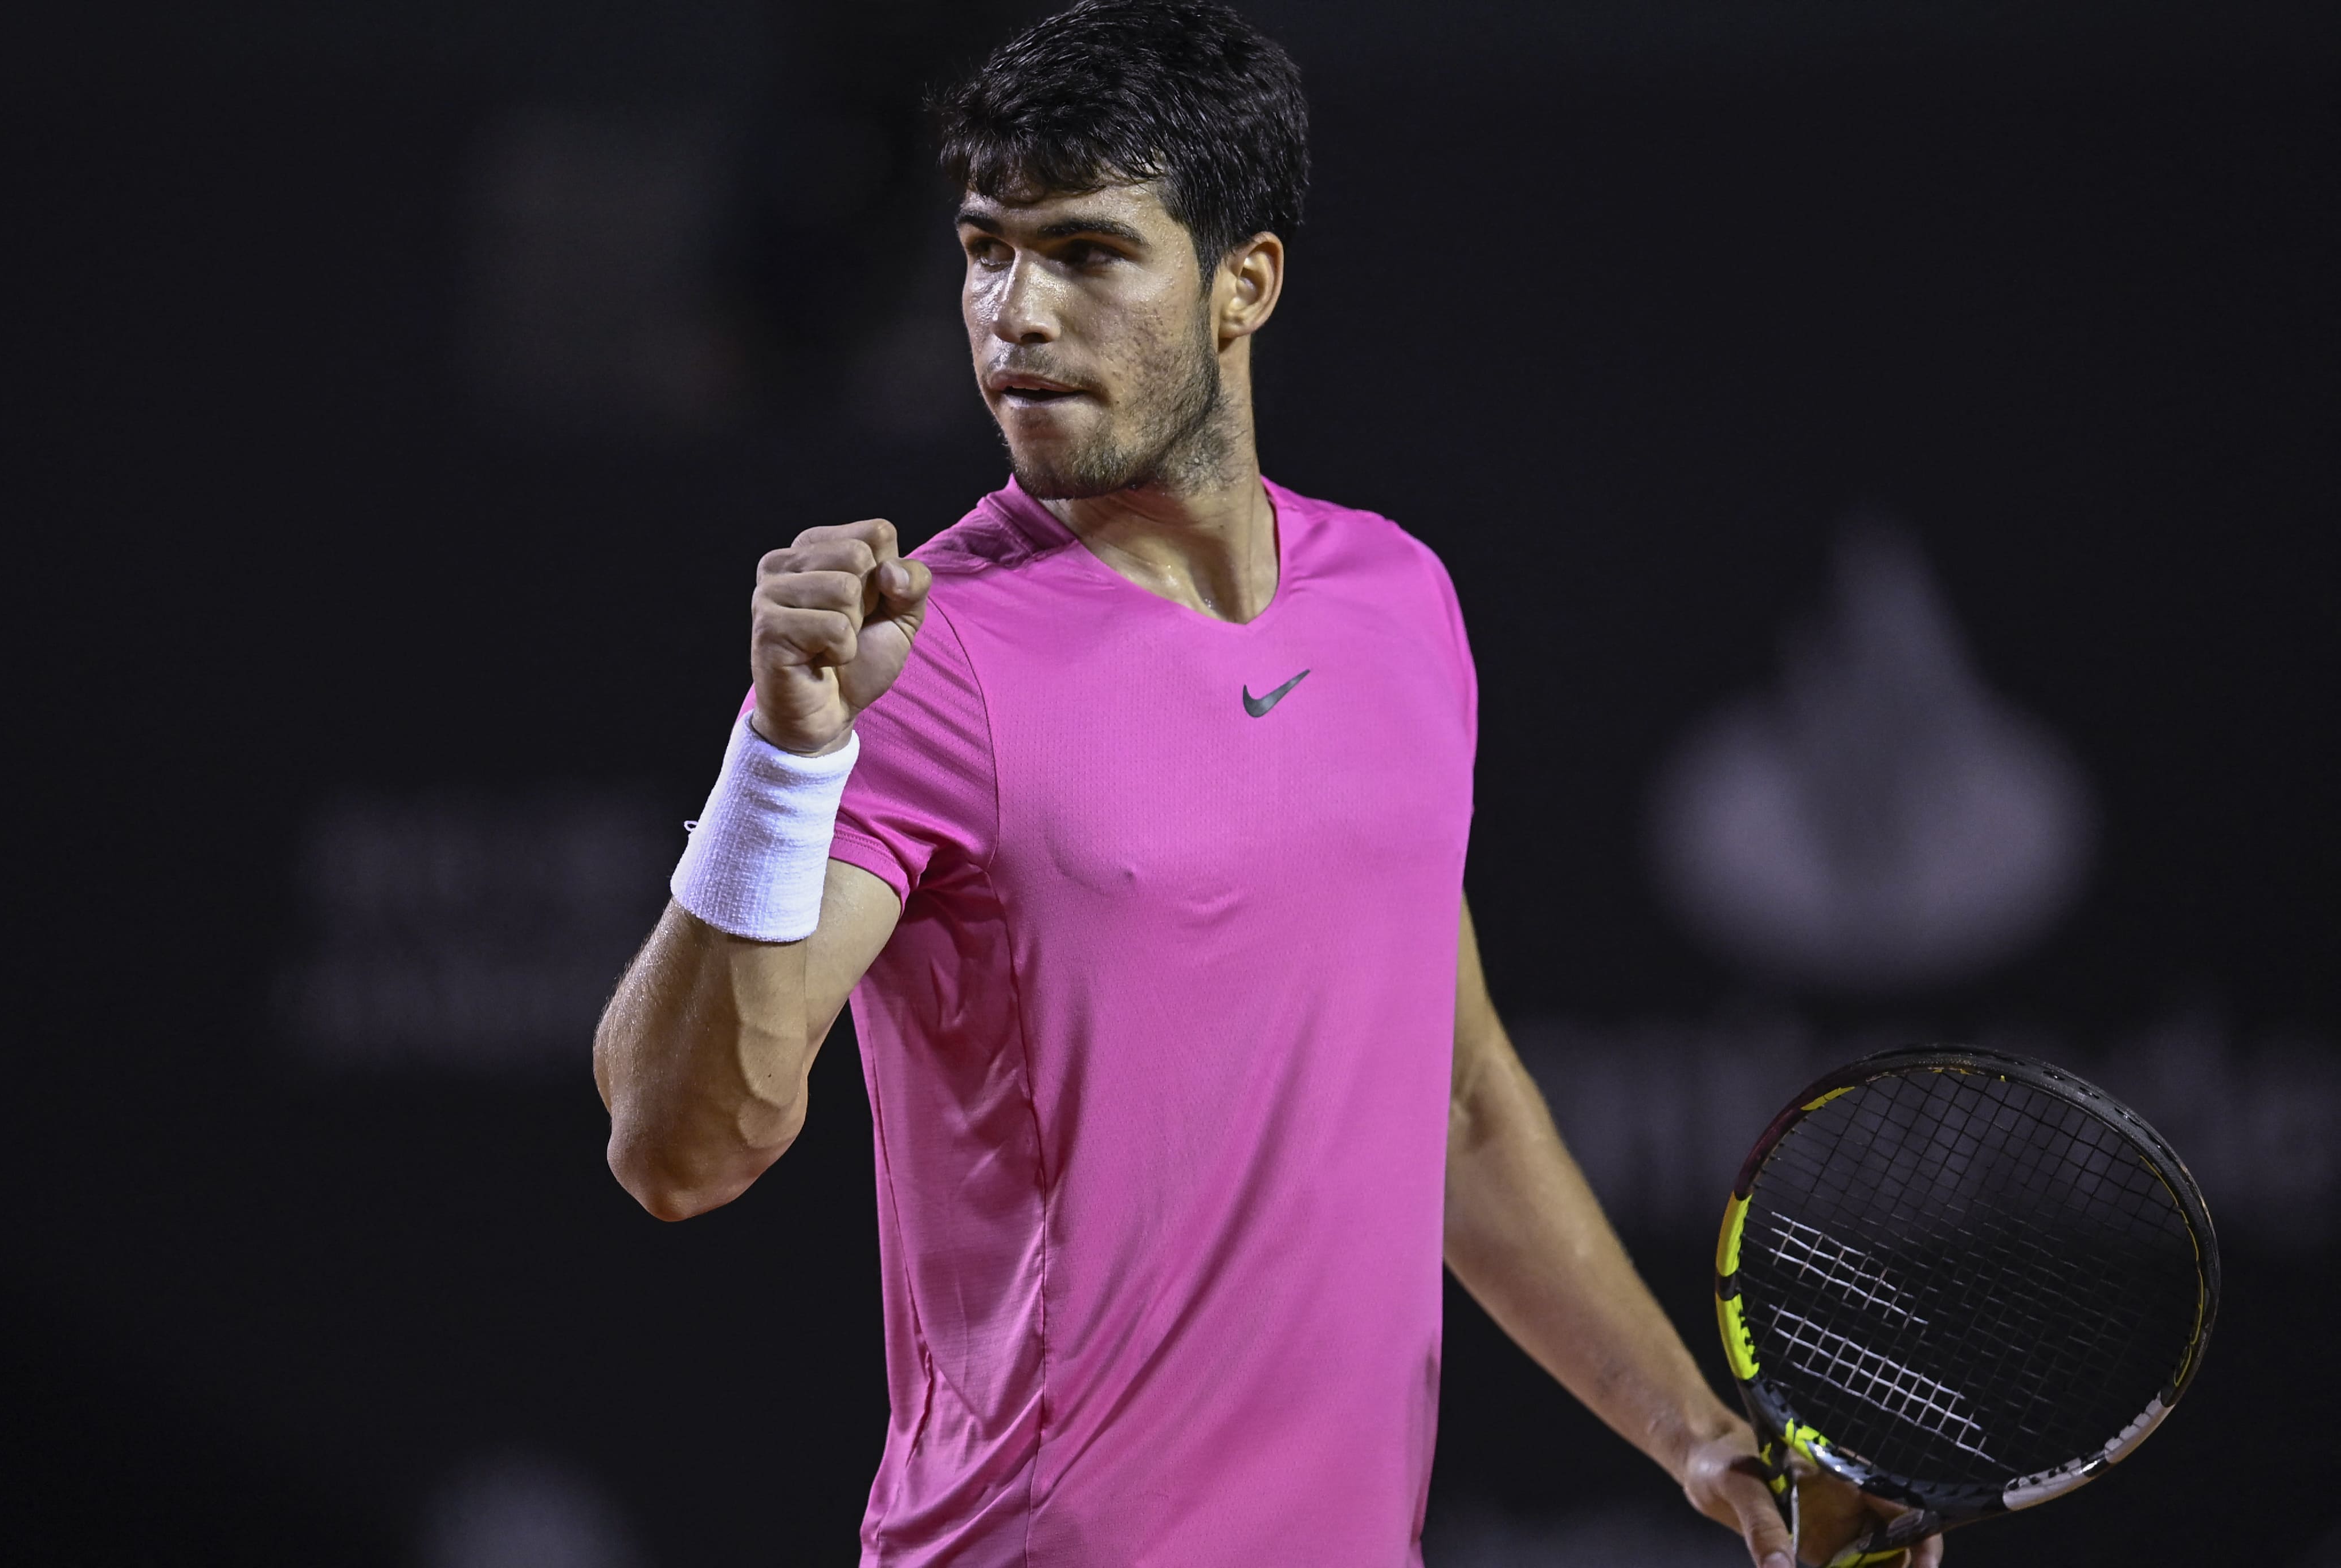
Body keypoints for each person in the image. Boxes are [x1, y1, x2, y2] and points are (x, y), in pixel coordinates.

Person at [593, 3, 1940, 1564]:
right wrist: (780, 759)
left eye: (1087, 254)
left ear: (1247, 282)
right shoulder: (926, 663)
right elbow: (679, 1149)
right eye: (985, 253)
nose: (1015, 315)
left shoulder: (1399, 603)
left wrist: (1702, 1441)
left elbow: (1458, 1101)